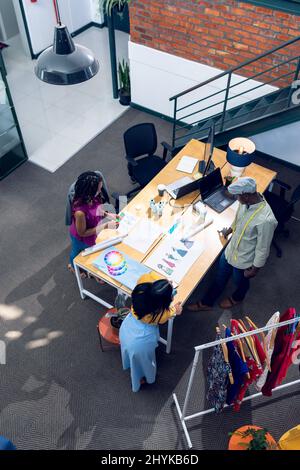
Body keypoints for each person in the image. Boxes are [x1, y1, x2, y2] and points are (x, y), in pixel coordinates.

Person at [188, 176, 278, 311]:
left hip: (244, 261)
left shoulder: (266, 220)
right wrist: (229, 230)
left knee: (240, 282)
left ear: (246, 195)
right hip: (230, 250)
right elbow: (238, 219)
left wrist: (255, 269)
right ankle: (207, 302)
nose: (236, 199)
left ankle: (237, 298)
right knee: (220, 277)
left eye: (237, 197)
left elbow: (263, 249)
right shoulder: (246, 203)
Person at [119, 272, 183, 392]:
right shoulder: (160, 314)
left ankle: (133, 368)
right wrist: (175, 309)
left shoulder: (141, 289)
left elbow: (149, 276)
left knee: (133, 357)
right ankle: (144, 378)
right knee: (145, 363)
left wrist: (163, 287)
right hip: (141, 342)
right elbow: (171, 312)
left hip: (127, 327)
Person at [68, 171, 118, 275]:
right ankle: (74, 267)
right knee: (76, 252)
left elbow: (97, 209)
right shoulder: (80, 213)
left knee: (93, 249)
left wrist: (107, 215)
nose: (101, 190)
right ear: (89, 191)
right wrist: (105, 226)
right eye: (99, 188)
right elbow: (83, 233)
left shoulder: (93, 197)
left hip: (92, 227)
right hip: (81, 236)